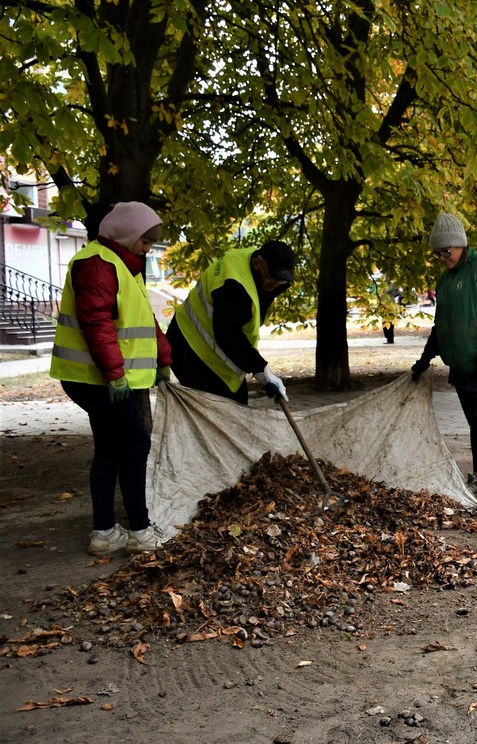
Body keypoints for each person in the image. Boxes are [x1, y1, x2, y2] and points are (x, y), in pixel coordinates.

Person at [50, 201, 173, 555]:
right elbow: (96, 323)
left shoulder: (122, 267)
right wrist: (115, 374)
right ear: (127, 233)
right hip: (96, 380)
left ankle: (105, 532)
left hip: (101, 379)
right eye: (145, 242)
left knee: (110, 447)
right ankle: (139, 530)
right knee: (135, 444)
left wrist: (162, 359)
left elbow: (144, 320)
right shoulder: (97, 263)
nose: (147, 249)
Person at [410, 212, 477, 514]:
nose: (443, 257)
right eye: (437, 252)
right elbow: (440, 323)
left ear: (461, 245)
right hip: (462, 364)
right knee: (474, 424)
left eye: (448, 250)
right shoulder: (446, 280)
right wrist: (425, 358)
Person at [167, 241, 295, 404]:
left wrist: (262, 372)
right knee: (222, 413)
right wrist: (262, 370)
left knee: (237, 407)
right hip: (189, 346)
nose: (275, 284)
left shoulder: (256, 265)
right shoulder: (234, 286)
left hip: (216, 351)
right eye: (271, 278)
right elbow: (228, 335)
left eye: (281, 281)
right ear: (257, 264)